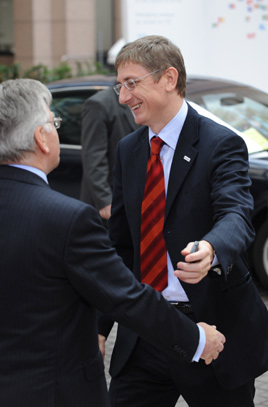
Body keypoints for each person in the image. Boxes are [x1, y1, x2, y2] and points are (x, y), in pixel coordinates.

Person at [0, 78, 225, 407]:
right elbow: (127, 298)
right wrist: (197, 339)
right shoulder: (69, 219)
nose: (55, 130)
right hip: (56, 393)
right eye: (53, 122)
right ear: (40, 139)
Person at [98, 35, 268, 407]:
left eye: (131, 84)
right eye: (120, 86)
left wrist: (211, 248)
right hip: (145, 331)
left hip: (213, 333)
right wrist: (99, 327)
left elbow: (237, 214)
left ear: (169, 78)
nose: (123, 98)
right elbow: (121, 246)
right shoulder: (129, 151)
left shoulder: (220, 143)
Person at [80, 87, 138, 223]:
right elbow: (93, 157)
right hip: (108, 204)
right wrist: (105, 201)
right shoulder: (99, 104)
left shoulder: (143, 100)